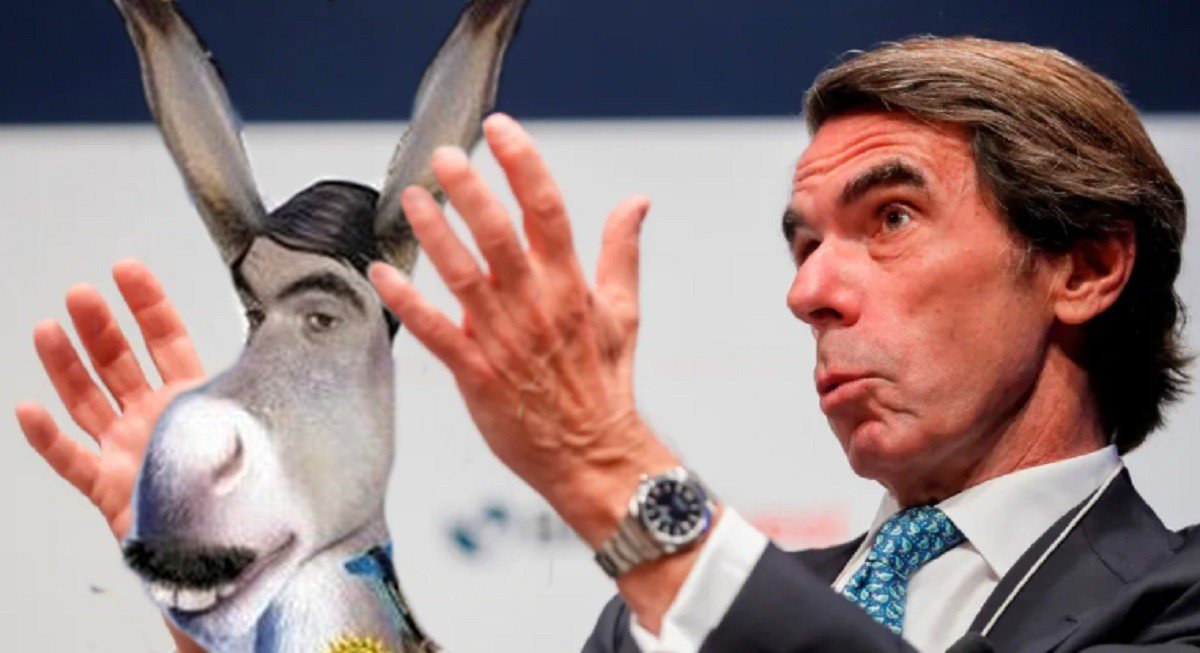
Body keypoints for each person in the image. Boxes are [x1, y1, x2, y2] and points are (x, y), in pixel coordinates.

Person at [16, 35, 1196, 652]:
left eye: (889, 218)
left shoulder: (1173, 603)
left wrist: (596, 459)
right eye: (801, 244)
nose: (810, 291)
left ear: (1085, 266)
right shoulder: (710, 604)